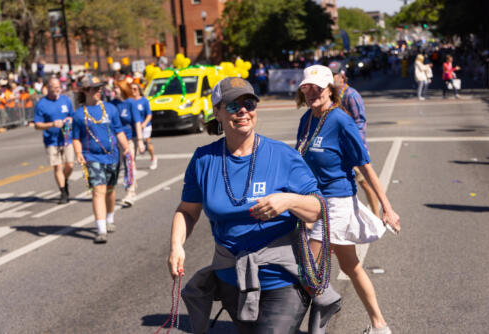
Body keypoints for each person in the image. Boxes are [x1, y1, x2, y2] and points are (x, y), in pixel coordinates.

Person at [168, 77, 340, 334]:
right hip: (231, 279)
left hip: (283, 279)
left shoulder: (282, 156)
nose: (243, 111)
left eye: (249, 103)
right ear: (217, 111)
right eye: (233, 105)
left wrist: (288, 200)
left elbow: (318, 208)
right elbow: (187, 210)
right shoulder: (204, 160)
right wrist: (176, 246)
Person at [295, 65, 401, 334]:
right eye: (306, 87)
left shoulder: (341, 120)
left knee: (308, 268)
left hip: (335, 202)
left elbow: (365, 166)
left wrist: (387, 208)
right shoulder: (306, 120)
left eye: (317, 88)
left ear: (330, 89)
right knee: (350, 266)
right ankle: (380, 325)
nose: (311, 93)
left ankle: (310, 323)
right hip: (314, 202)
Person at [72, 75, 131, 243]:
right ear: (84, 91)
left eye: (100, 87)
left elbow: (118, 131)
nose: (98, 91)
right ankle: (101, 229)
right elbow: (75, 138)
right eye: (94, 88)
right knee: (98, 191)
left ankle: (110, 218)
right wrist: (78, 153)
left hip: (112, 156)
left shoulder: (111, 109)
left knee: (110, 190)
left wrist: (126, 149)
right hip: (92, 157)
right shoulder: (78, 115)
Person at [328, 61, 379, 217]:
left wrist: (354, 144)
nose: (331, 78)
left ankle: (377, 216)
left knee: (365, 183)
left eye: (334, 75)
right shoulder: (331, 95)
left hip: (353, 148)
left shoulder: (351, 95)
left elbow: (360, 121)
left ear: (342, 75)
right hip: (338, 149)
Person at [34, 78, 75, 204]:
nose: (57, 89)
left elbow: (72, 116)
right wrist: (52, 124)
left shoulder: (65, 100)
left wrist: (69, 120)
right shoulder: (42, 104)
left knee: (70, 165)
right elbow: (37, 125)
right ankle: (63, 192)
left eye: (59, 87)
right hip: (51, 139)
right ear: (49, 87)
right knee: (58, 166)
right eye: (55, 87)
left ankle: (64, 180)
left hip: (66, 137)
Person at [110, 86, 145, 206]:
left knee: (129, 164)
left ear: (123, 89)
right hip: (116, 140)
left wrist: (140, 140)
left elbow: (137, 122)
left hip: (130, 139)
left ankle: (130, 192)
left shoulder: (130, 103)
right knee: (115, 166)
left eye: (116, 89)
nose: (114, 91)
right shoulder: (113, 104)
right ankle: (126, 186)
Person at [129, 82, 157, 169]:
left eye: (135, 89)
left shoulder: (144, 100)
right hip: (134, 127)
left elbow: (149, 114)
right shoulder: (130, 101)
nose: (133, 91)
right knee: (133, 146)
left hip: (145, 125)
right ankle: (132, 165)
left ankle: (153, 158)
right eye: (131, 89)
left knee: (148, 144)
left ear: (139, 90)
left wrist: (144, 123)